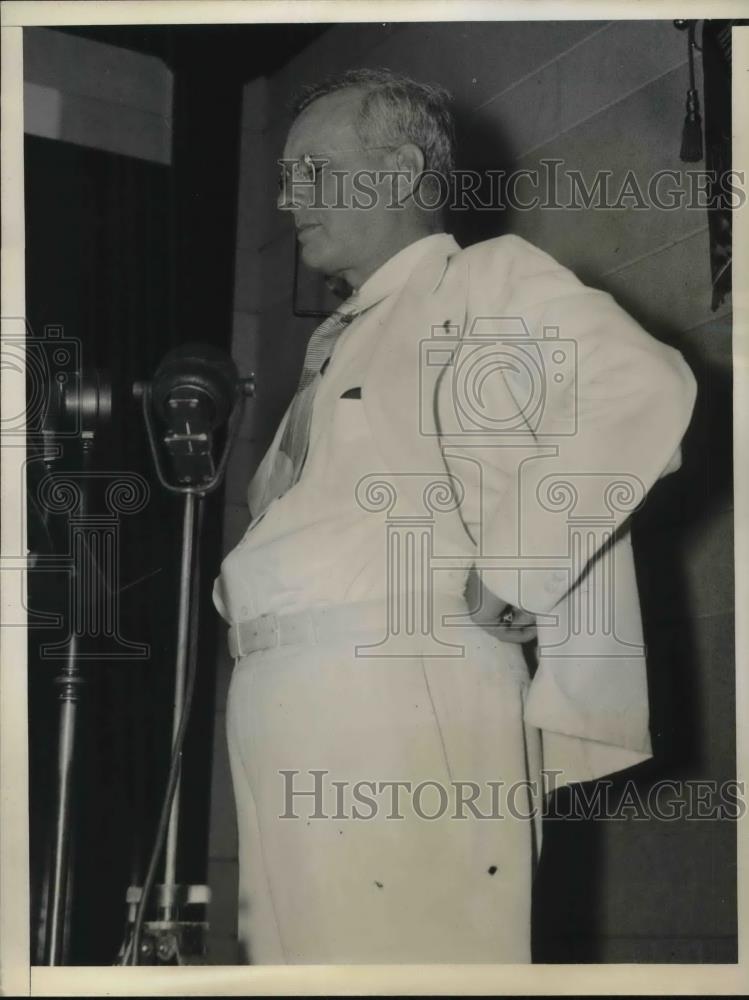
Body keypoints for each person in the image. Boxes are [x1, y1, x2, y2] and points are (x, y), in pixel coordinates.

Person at [212, 69, 697, 964]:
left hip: (401, 688)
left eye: (313, 170)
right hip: (284, 692)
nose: (287, 199)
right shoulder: (340, 339)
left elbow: (640, 385)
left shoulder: (479, 281)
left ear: (398, 172)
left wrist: (516, 565)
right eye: (283, 176)